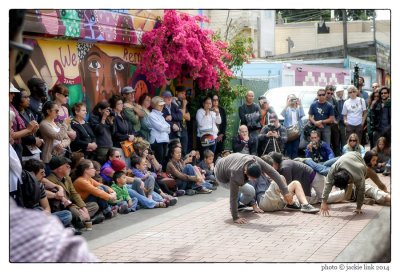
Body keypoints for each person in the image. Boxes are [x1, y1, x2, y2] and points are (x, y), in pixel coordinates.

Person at [214, 153, 292, 224]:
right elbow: (233, 196)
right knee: (237, 187)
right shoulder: (236, 175)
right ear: (245, 172)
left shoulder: (256, 160)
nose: (255, 180)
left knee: (250, 190)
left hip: (230, 164)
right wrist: (235, 217)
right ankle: (236, 206)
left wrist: (285, 191)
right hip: (221, 176)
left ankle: (243, 202)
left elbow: (273, 173)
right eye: (253, 178)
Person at [46, 156, 100, 229]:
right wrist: (78, 209)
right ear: (59, 169)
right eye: (66, 166)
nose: (69, 167)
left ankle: (80, 221)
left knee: (94, 205)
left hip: (72, 205)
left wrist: (83, 208)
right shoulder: (50, 180)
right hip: (64, 207)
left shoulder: (67, 178)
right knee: (73, 211)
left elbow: (74, 194)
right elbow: (63, 201)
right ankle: (86, 221)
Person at [239, 165, 319, 214]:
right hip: (265, 202)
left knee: (295, 183)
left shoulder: (269, 175)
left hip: (278, 202)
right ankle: (291, 202)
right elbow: (251, 190)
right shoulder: (255, 174)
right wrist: (254, 206)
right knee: (280, 178)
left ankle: (305, 205)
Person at [23, 159, 73, 228]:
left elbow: (47, 208)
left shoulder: (39, 185)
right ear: (32, 174)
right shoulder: (20, 186)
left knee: (67, 214)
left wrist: (44, 213)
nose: (44, 175)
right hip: (26, 220)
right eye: (42, 173)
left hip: (41, 217)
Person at [320, 152, 367, 216]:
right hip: (344, 159)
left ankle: (354, 195)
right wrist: (324, 202)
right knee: (329, 178)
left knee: (359, 187)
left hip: (358, 158)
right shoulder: (334, 168)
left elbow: (361, 190)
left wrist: (359, 207)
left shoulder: (359, 174)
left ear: (349, 181)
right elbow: (328, 184)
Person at [39, 101, 71, 172]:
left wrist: (62, 145)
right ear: (48, 111)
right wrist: (65, 123)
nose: (58, 113)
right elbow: (59, 136)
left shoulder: (57, 124)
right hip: (49, 158)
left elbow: (67, 139)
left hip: (60, 157)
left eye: (58, 111)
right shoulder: (44, 124)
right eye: (56, 111)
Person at [11, 87, 42, 161]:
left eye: (28, 96)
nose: (29, 99)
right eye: (25, 97)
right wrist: (33, 140)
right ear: (18, 98)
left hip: (34, 151)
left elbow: (33, 130)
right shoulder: (14, 114)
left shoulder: (29, 112)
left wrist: (37, 139)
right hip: (23, 153)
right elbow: (17, 134)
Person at [109, 94, 136, 166]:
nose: (121, 105)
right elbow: (114, 134)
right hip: (118, 147)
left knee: (129, 165)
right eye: (119, 104)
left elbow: (131, 128)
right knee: (123, 167)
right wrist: (127, 137)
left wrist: (132, 135)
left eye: (122, 103)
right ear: (114, 106)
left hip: (128, 145)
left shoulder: (124, 116)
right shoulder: (113, 117)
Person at [147, 96, 171, 168]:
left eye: (162, 104)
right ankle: (158, 174)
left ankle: (162, 174)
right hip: (157, 140)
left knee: (164, 159)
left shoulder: (161, 115)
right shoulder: (151, 115)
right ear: (154, 105)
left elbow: (169, 128)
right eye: (160, 104)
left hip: (164, 139)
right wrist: (166, 127)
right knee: (158, 159)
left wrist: (166, 127)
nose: (162, 106)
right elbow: (160, 128)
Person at [281, 94, 304, 159]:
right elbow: (282, 114)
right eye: (290, 99)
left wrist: (300, 104)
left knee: (295, 149)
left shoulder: (297, 109)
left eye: (294, 99)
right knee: (288, 149)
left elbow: (302, 115)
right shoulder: (287, 109)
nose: (292, 100)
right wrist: (287, 104)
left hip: (296, 132)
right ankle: (288, 163)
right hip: (288, 132)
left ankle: (295, 163)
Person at [173, 86, 191, 155]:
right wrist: (184, 105)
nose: (184, 96)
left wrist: (183, 108)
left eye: (185, 94)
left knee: (184, 151)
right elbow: (181, 115)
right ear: (177, 92)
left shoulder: (182, 103)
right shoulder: (174, 102)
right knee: (177, 151)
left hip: (184, 130)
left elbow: (188, 117)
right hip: (177, 130)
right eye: (182, 93)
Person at [325, 85, 341, 157]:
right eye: (328, 93)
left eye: (332, 93)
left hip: (333, 124)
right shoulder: (319, 99)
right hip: (324, 124)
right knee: (326, 143)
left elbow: (338, 113)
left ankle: (337, 157)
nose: (330, 95)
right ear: (325, 92)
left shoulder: (334, 101)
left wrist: (337, 121)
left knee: (336, 143)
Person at [335, 86, 347, 152]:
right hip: (336, 122)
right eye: (338, 92)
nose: (339, 93)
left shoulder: (346, 100)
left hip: (344, 122)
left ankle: (344, 152)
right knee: (336, 139)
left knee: (344, 139)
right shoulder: (335, 101)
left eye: (341, 92)